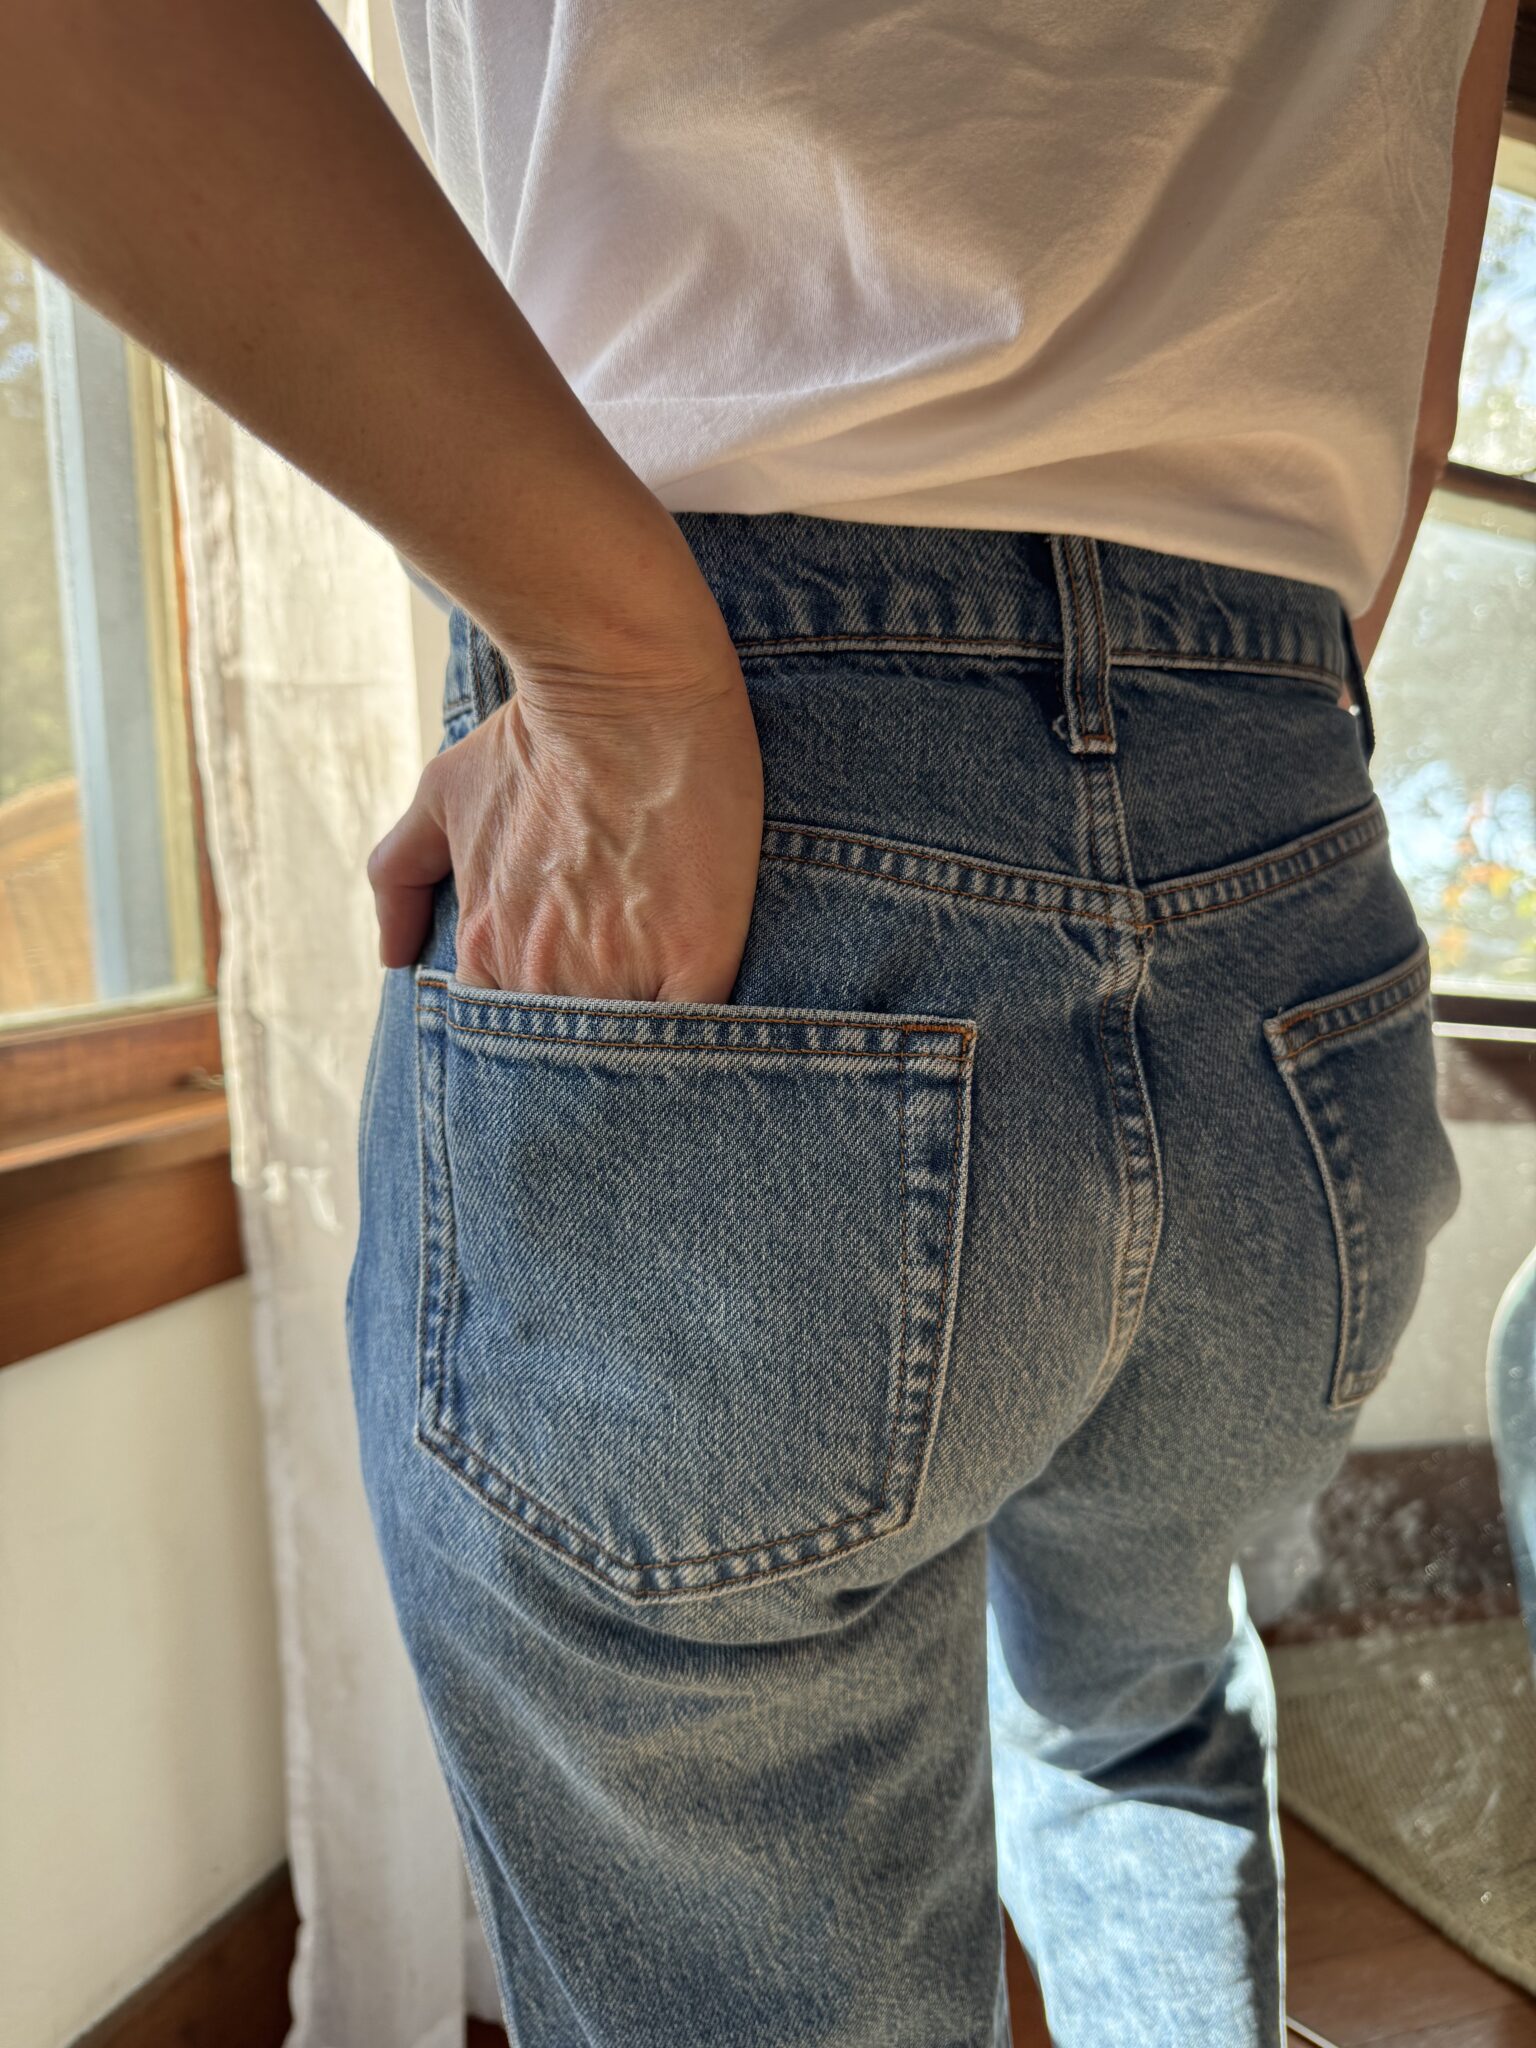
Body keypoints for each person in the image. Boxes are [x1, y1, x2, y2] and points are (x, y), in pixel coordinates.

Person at [0, 3, 1515, 2042]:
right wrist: (1229, 753)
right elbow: (1413, 359)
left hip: (748, 817)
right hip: (1286, 863)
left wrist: (615, 669)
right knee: (1137, 1715)